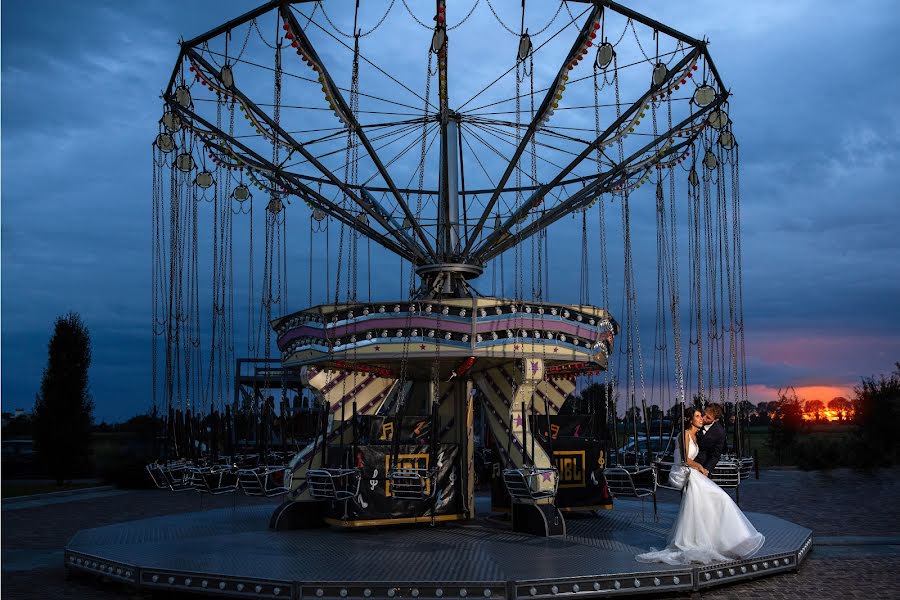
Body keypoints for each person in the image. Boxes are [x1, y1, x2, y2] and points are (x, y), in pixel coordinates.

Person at [636, 407, 765, 565]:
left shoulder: (695, 436)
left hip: (691, 470)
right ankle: (729, 539)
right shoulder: (684, 434)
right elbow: (684, 459)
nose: (701, 418)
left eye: (702, 416)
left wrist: (700, 467)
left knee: (713, 501)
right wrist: (700, 467)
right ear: (690, 420)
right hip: (682, 471)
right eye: (698, 416)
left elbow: (707, 454)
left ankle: (727, 539)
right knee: (720, 497)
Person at [695, 403, 726, 473]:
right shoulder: (694, 419)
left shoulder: (719, 433)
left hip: (702, 466)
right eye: (703, 414)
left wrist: (706, 470)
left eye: (708, 418)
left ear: (716, 420)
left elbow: (715, 455)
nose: (703, 418)